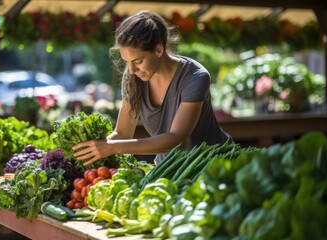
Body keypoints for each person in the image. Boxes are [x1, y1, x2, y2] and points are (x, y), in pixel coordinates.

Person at [73, 10, 231, 166]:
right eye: (126, 62)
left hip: (213, 165)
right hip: (168, 168)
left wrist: (113, 147)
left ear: (159, 50)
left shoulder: (195, 77)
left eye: (138, 61)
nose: (132, 70)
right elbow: (122, 133)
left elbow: (176, 138)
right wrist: (89, 151)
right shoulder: (134, 76)